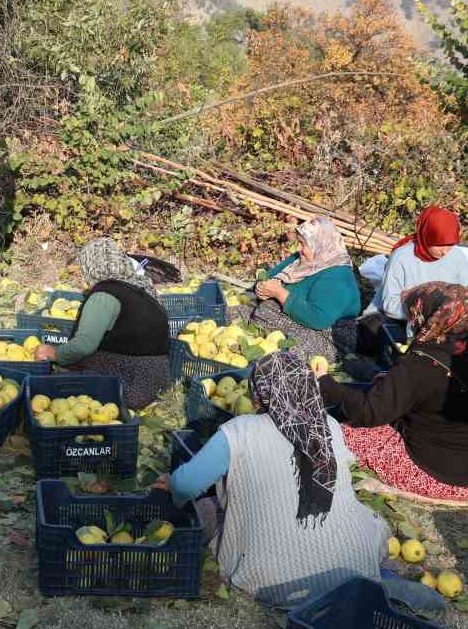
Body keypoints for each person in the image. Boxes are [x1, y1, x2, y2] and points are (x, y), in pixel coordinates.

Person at [159, 351, 389, 608]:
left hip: (273, 578)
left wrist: (171, 483)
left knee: (204, 509)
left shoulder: (240, 430)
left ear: (258, 394)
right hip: (353, 566)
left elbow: (186, 485)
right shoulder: (330, 425)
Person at [321, 283, 468, 504]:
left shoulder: (422, 360)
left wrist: (326, 385)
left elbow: (369, 413)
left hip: (450, 479)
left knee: (344, 430)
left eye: (412, 317)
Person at [30, 238, 172, 409]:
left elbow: (84, 345)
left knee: (49, 385)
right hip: (158, 381)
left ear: (91, 265)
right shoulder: (143, 289)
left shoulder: (105, 294)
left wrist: (53, 353)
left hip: (129, 384)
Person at [253, 217, 362, 330]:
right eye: (298, 242)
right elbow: (269, 276)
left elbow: (318, 319)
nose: (298, 248)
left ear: (320, 244)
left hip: (323, 336)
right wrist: (261, 288)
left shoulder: (338, 276)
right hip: (280, 318)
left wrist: (280, 294)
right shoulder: (299, 259)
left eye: (303, 243)